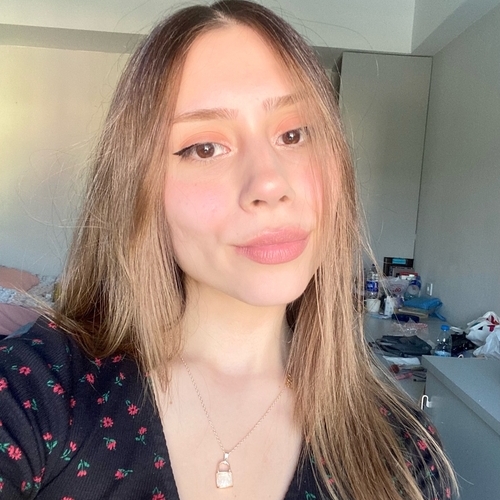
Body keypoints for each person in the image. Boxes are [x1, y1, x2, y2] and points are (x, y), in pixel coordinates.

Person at [0, 1, 456, 499]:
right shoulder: (38, 390)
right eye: (205, 148)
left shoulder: (403, 455)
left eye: (294, 134)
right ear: (139, 190)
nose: (269, 184)